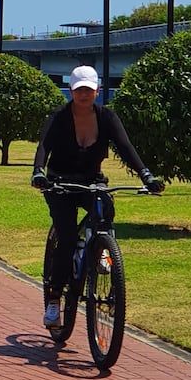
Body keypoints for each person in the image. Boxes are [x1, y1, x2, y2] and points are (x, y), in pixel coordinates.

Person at [31, 65, 163, 329]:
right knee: (67, 236)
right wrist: (38, 172)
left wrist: (146, 175)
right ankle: (55, 300)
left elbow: (125, 147)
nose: (84, 95)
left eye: (89, 90)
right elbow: (44, 145)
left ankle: (101, 252)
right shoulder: (59, 117)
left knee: (105, 210)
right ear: (71, 91)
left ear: (98, 91)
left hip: (92, 181)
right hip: (61, 183)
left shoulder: (107, 117)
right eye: (79, 90)